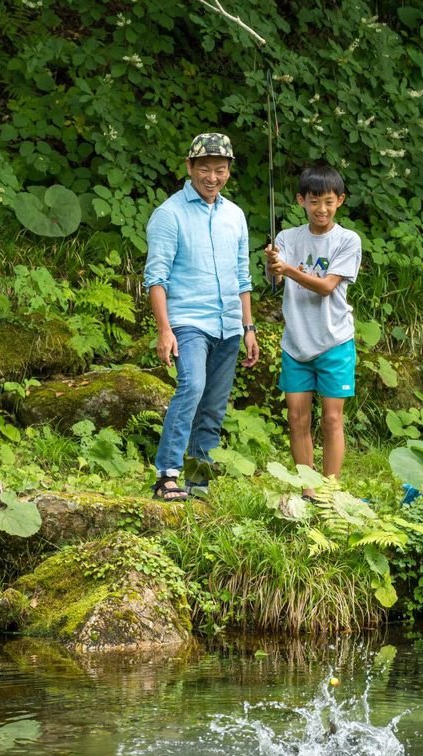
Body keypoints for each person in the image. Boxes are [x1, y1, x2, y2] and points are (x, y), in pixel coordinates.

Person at [143, 132, 261, 501]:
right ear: (189, 167)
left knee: (213, 402)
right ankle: (167, 473)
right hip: (188, 321)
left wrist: (249, 327)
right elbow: (155, 278)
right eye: (205, 169)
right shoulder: (169, 213)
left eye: (220, 170)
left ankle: (199, 478)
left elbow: (243, 276)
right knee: (191, 386)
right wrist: (165, 330)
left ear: (228, 172)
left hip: (228, 322)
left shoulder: (235, 215)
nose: (212, 177)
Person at [263, 164, 362, 490]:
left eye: (329, 202)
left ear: (340, 201)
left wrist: (287, 269)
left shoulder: (347, 240)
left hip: (334, 341)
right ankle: (308, 489)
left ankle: (330, 491)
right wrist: (272, 264)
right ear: (300, 200)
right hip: (296, 343)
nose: (322, 209)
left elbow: (327, 287)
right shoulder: (287, 238)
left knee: (332, 419)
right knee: (297, 420)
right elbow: (275, 281)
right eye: (314, 201)